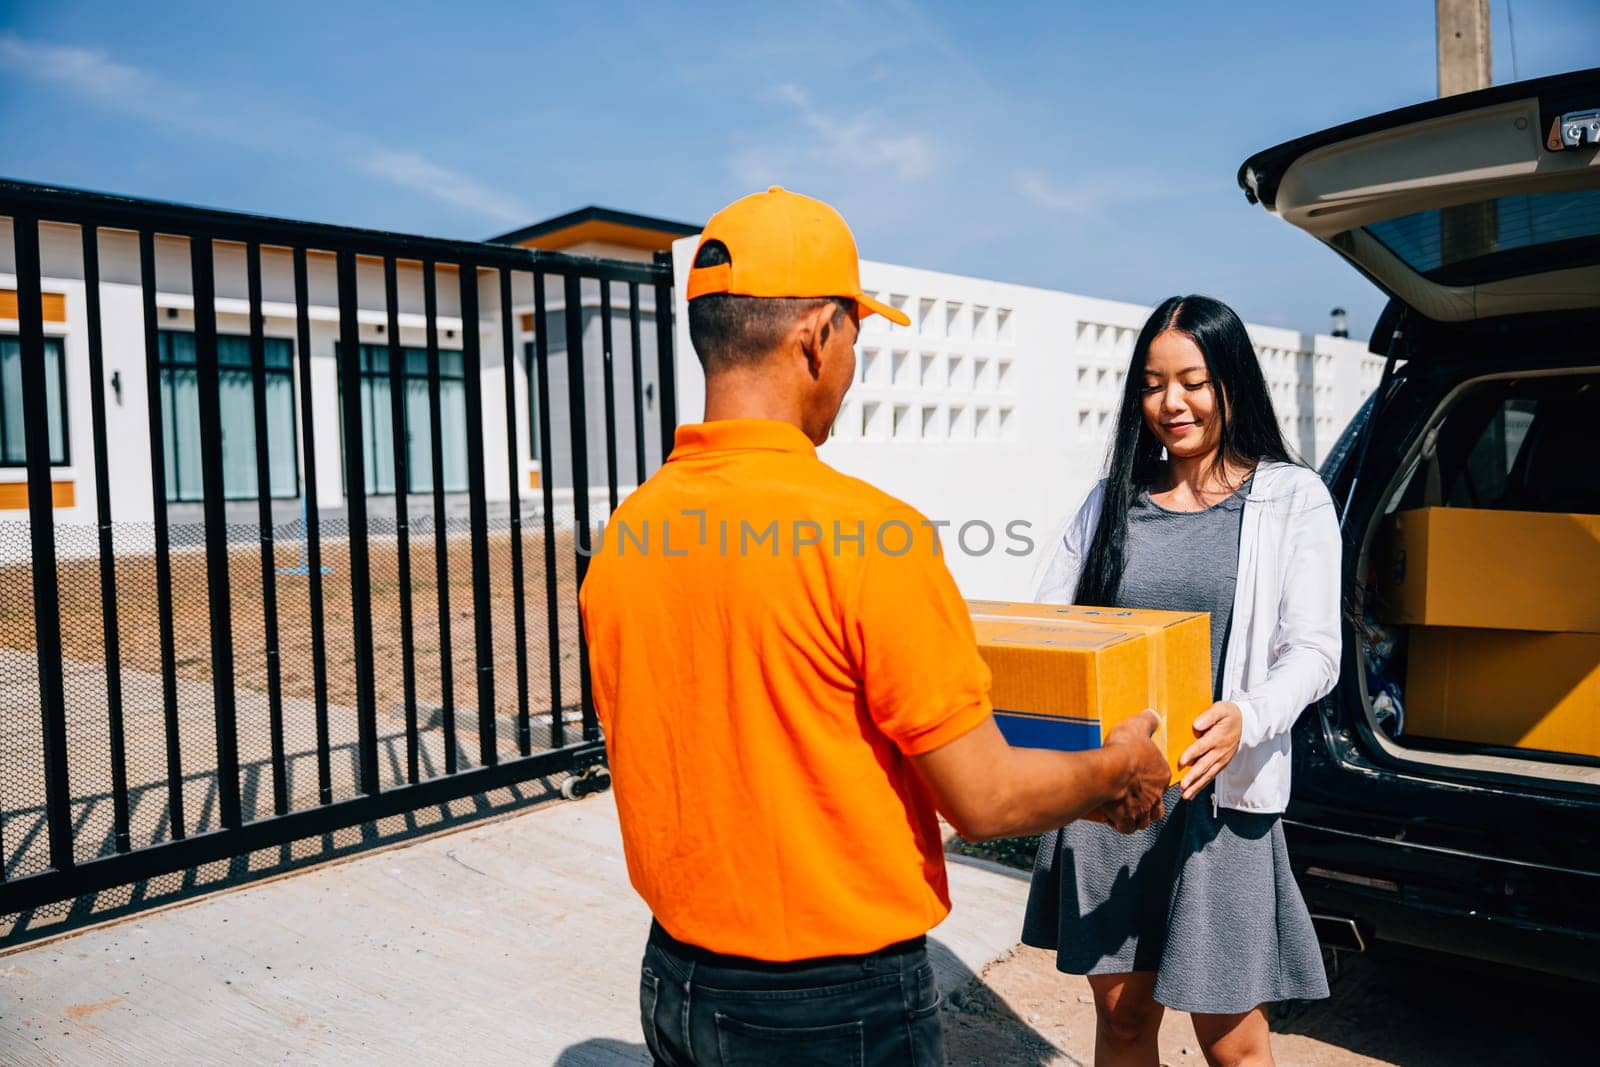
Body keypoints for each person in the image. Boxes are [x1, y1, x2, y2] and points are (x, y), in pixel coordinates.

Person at [579, 186, 1170, 1066]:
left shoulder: (629, 531)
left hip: (676, 979)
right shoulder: (870, 534)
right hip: (830, 1004)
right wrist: (1120, 766)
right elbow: (985, 796)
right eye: (856, 335)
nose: (853, 366)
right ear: (818, 335)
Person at [1021, 295, 1339, 1066]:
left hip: (1220, 804)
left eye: (1193, 380)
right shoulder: (1109, 505)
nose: (1173, 403)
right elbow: (1046, 627)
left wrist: (1247, 715)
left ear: (1230, 381)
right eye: (1155, 383)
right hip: (1111, 802)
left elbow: (1316, 650)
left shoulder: (1291, 496)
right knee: (1125, 1023)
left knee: (1235, 1044)